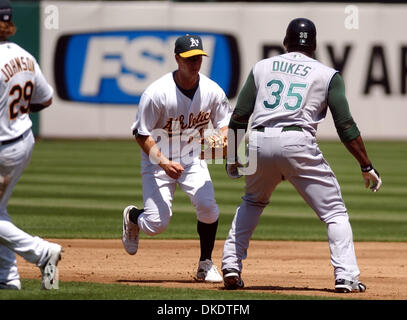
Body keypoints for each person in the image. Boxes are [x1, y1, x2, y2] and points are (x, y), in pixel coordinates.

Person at [221, 18, 382, 293]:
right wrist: (366, 165)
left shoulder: (262, 67)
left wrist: (231, 157)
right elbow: (345, 125)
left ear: (286, 42)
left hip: (258, 140)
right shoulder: (327, 74)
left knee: (252, 201)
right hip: (297, 140)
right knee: (334, 213)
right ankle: (346, 276)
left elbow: (238, 117)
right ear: (314, 45)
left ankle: (230, 265)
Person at [122, 34, 232, 282]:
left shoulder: (212, 91)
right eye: (189, 58)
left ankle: (205, 264)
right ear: (177, 59)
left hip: (192, 158)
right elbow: (141, 134)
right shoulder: (157, 93)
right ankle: (132, 217)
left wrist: (222, 140)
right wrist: (163, 162)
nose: (194, 63)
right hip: (158, 160)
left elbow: (226, 126)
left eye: (198, 58)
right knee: (156, 224)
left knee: (208, 207)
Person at [0, 0, 61, 290]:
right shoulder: (24, 56)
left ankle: (41, 252)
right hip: (22, 140)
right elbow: (45, 98)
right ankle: (8, 278)